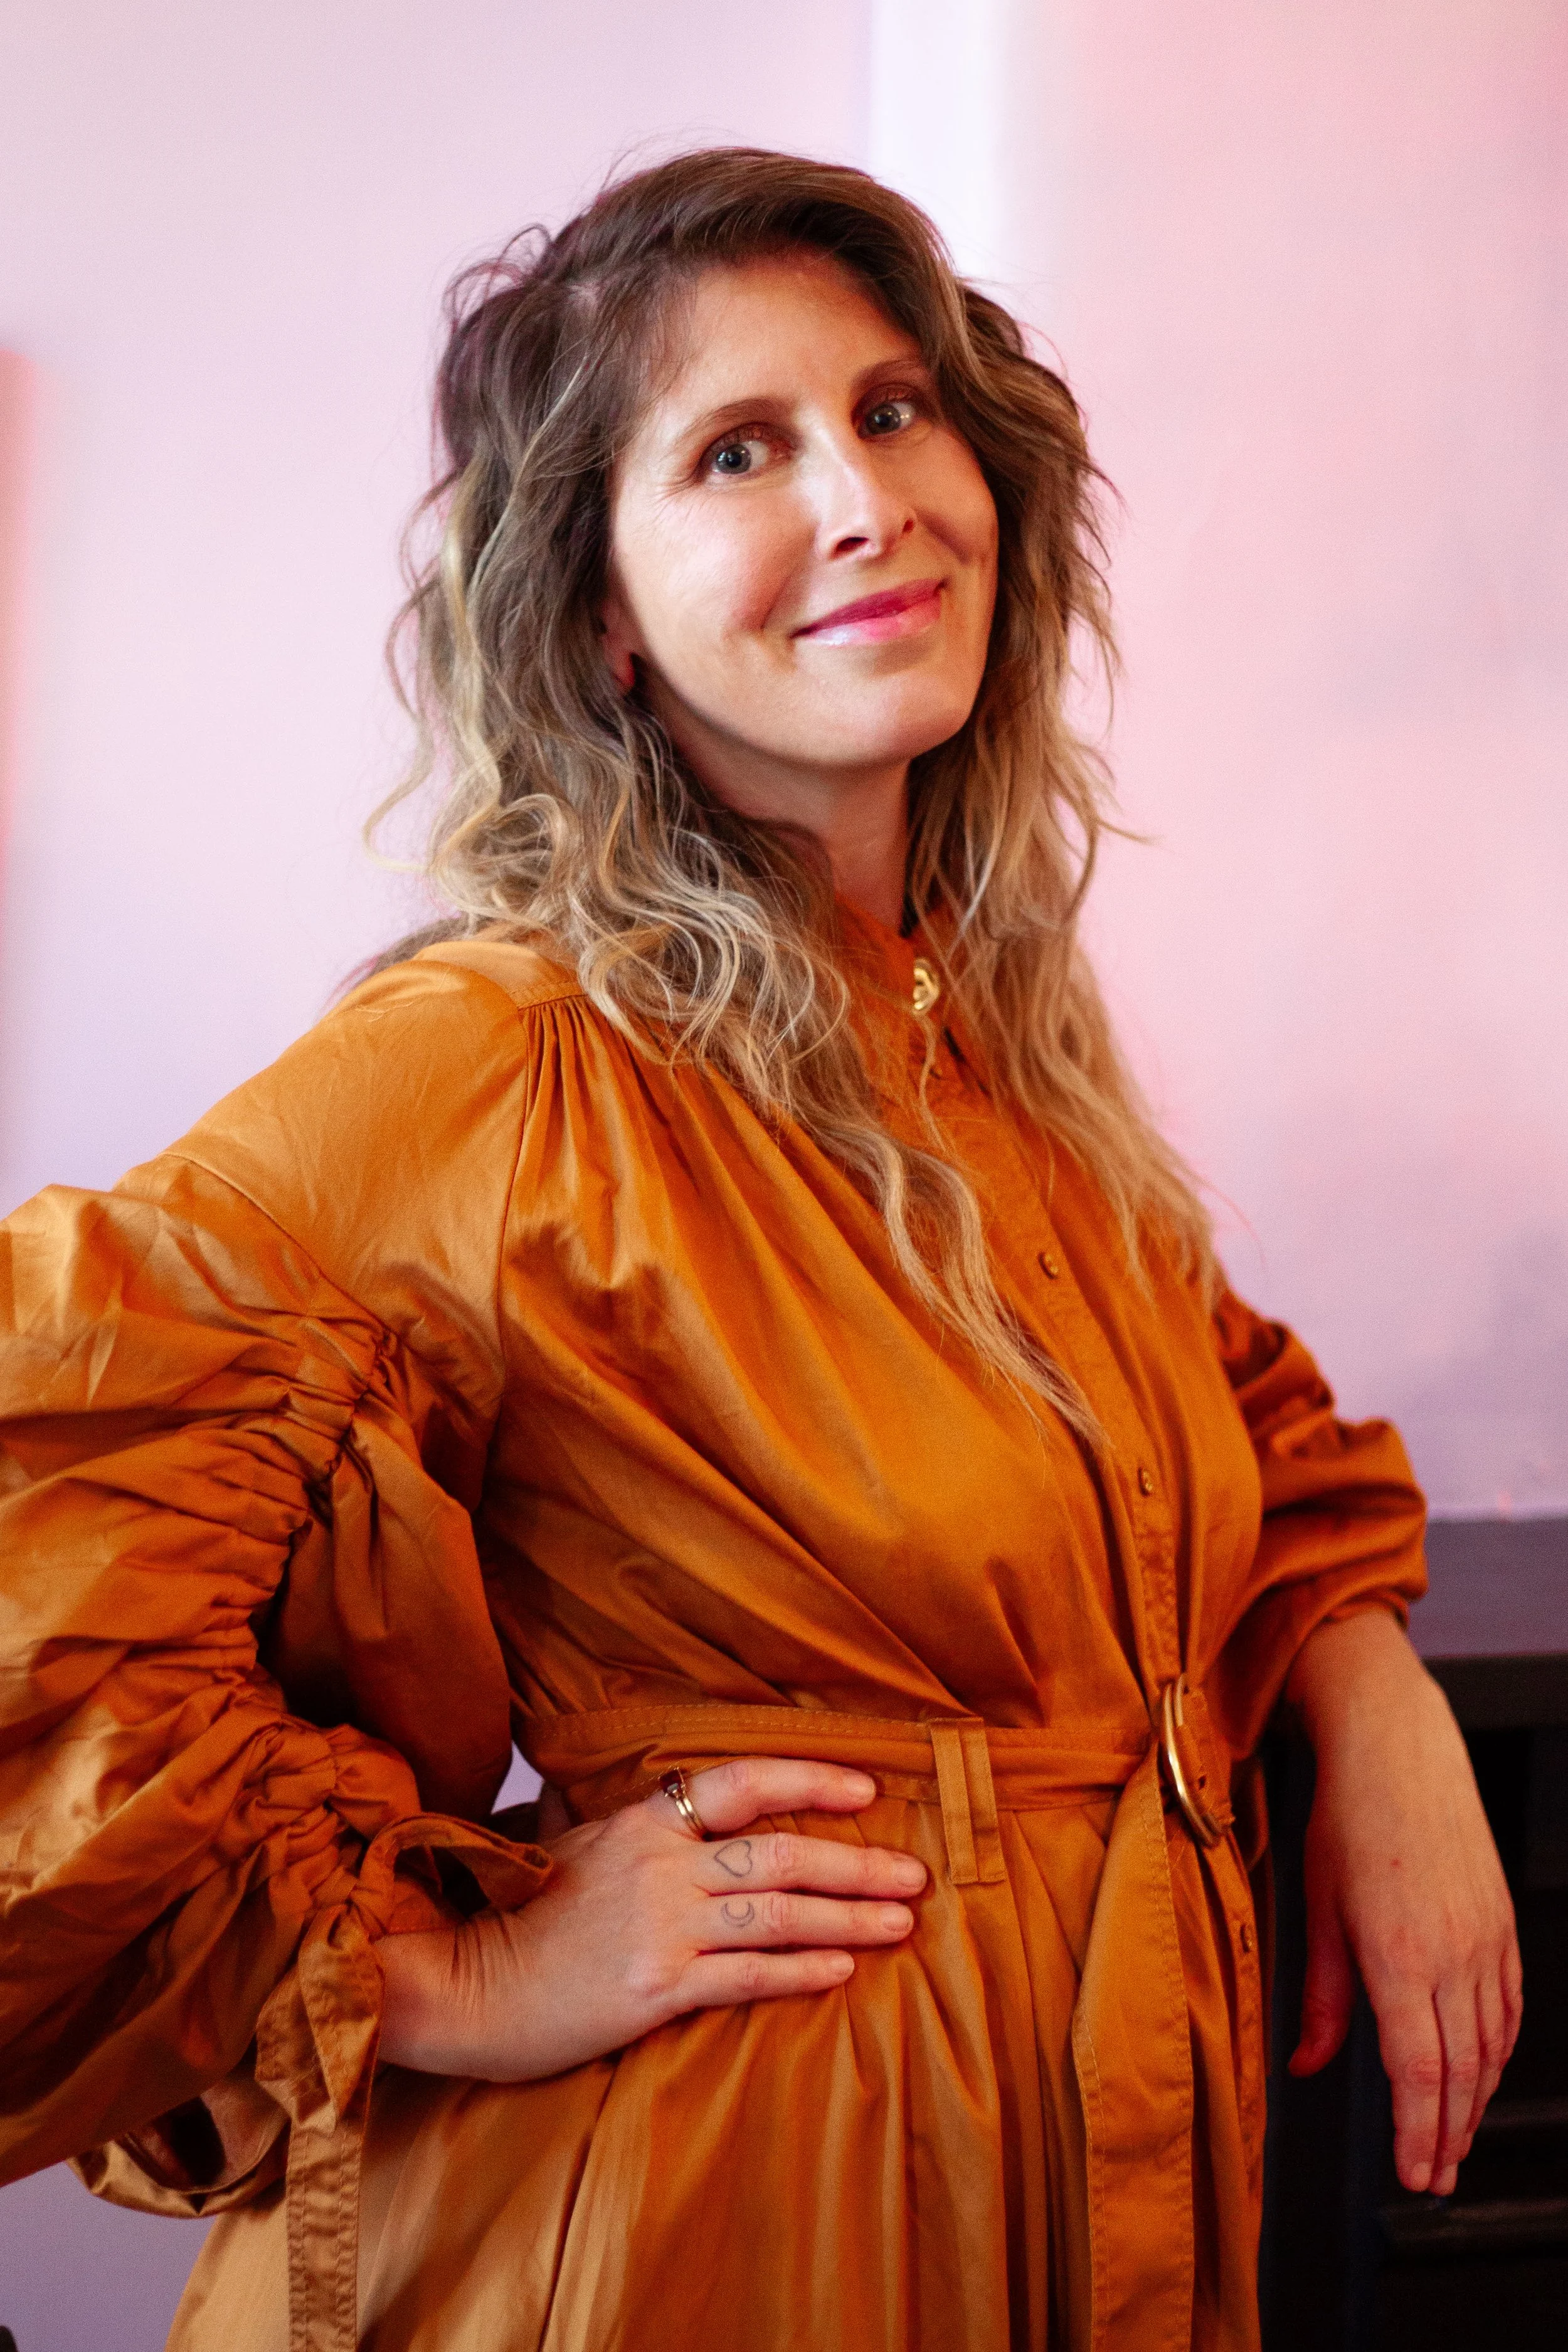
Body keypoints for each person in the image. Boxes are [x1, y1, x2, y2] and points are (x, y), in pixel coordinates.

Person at [0, 150, 1521, 2352]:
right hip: (710, 2233)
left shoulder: (988, 1038)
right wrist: (444, 1964)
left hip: (1085, 2195)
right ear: (605, 611)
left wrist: (1368, 1693)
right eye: (739, 448)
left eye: (895, 409)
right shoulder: (501, 1058)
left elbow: (1212, 1423)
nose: (866, 494)